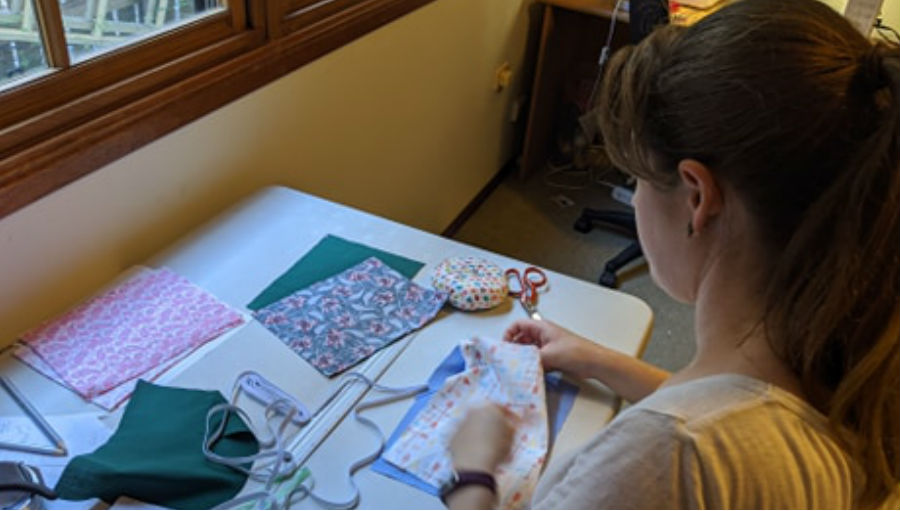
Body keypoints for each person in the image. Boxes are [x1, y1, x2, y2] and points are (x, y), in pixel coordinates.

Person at [443, 0, 899, 508]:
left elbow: (692, 438)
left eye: (636, 179)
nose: (635, 199)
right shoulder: (843, 362)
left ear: (697, 198)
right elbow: (734, 408)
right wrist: (598, 360)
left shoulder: (666, 457)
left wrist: (475, 469)